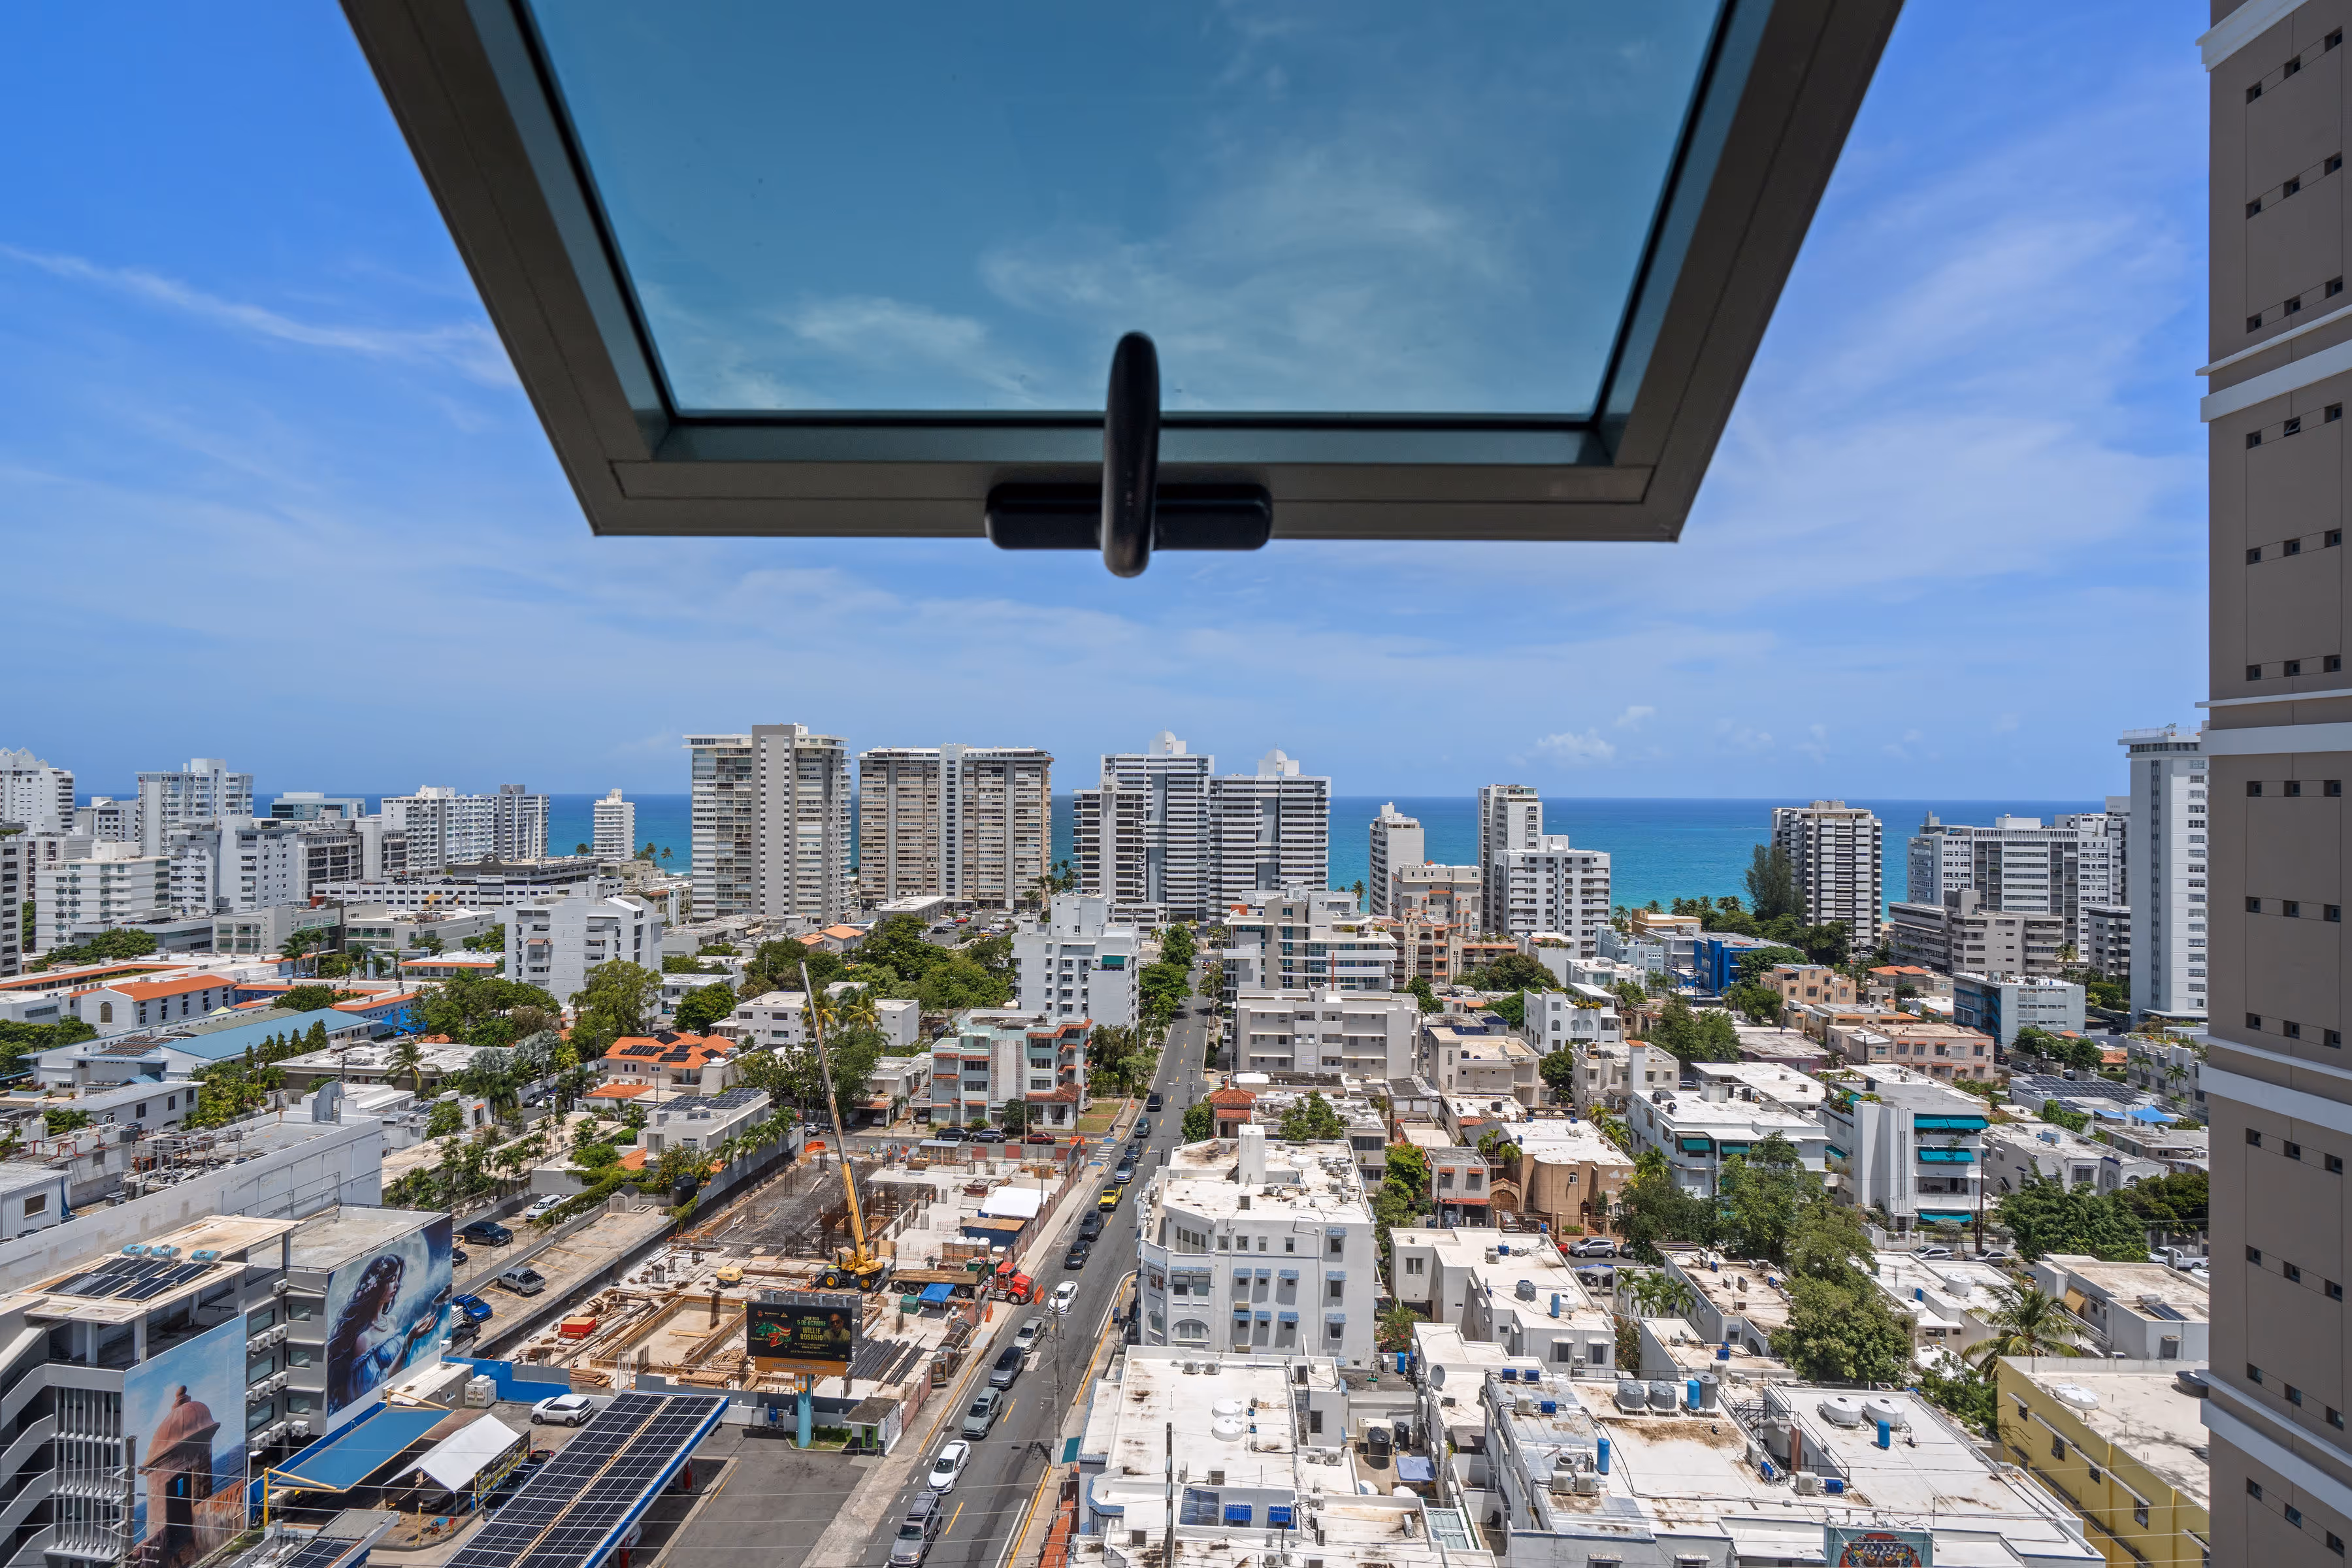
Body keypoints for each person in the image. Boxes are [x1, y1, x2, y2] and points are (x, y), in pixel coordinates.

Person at [327, 1253, 440, 1409]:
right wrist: (409, 1340)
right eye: (392, 1280)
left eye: (398, 1279)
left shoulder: (391, 1321)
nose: (397, 1286)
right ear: (377, 1284)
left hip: (400, 1395)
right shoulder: (364, 1339)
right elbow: (373, 1389)